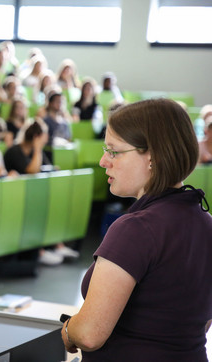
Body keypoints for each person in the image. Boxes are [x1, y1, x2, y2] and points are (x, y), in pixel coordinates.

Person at [62, 98, 212, 360]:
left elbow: (89, 334)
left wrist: (68, 329)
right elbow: (199, 320)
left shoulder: (136, 229)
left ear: (152, 156)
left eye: (113, 151)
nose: (102, 161)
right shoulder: (205, 221)